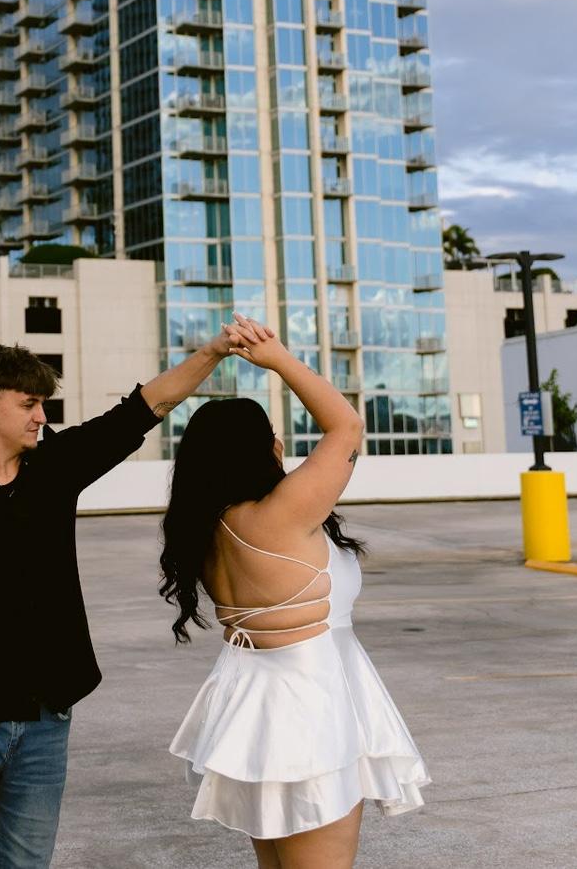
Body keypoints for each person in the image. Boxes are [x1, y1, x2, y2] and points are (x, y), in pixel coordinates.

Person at [0, 331, 240, 868]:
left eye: (43, 405)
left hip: (45, 716)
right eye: (29, 404)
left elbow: (143, 409)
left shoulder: (57, 466)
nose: (41, 416)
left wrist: (214, 352)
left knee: (28, 863)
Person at [162, 314, 429, 869]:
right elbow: (346, 427)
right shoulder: (279, 515)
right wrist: (278, 359)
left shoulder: (207, 527)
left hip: (256, 703)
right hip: (309, 709)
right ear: (267, 448)